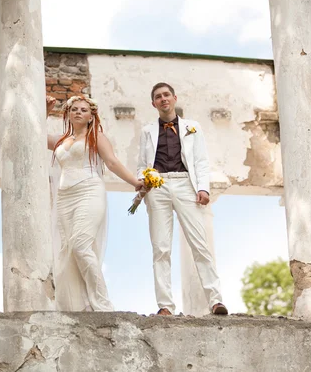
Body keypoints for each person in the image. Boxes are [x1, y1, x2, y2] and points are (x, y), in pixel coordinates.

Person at [137, 82, 228, 316]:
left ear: (175, 98)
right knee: (161, 247)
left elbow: (201, 160)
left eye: (166, 95)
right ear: (153, 103)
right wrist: (143, 180)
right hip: (158, 187)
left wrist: (203, 188)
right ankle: (165, 305)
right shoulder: (147, 130)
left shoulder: (192, 127)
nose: (163, 99)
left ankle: (216, 300)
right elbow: (141, 164)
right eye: (158, 97)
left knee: (200, 243)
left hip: (186, 184)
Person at [47, 95, 143, 312]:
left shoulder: (96, 136)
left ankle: (101, 303)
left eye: (83, 110)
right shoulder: (61, 140)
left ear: (91, 116)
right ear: (68, 114)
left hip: (89, 190)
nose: (78, 112)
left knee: (81, 245)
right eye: (74, 109)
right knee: (67, 249)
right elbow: (37, 138)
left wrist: (135, 182)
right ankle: (75, 305)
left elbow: (112, 162)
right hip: (64, 197)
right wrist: (45, 110)